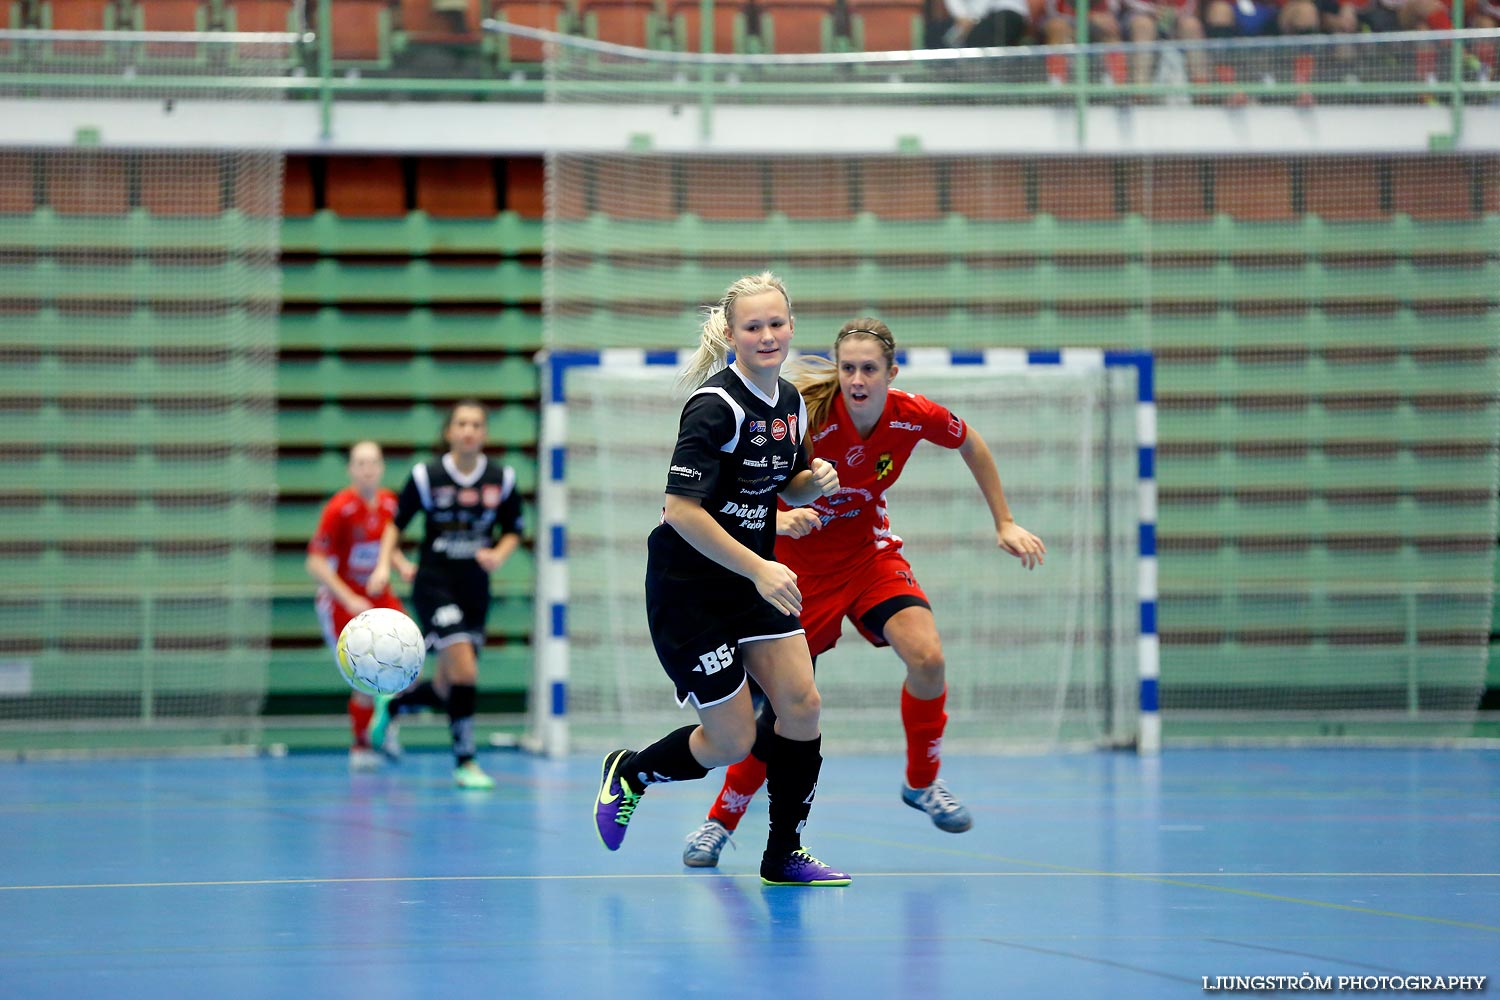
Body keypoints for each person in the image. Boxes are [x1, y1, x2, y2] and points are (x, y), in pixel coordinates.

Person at [682, 318, 1046, 869]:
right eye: (847, 367)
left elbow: (970, 441)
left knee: (928, 657)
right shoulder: (803, 416)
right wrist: (778, 526)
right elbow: (751, 483)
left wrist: (1005, 521)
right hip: (797, 576)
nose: (856, 378)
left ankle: (922, 783)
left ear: (889, 373)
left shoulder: (911, 415)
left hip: (869, 557)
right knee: (785, 712)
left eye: (868, 368)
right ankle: (720, 821)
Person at [592, 272, 851, 887]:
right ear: (732, 336)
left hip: (750, 582)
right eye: (753, 326)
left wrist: (805, 490)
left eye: (776, 324)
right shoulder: (714, 406)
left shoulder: (787, 401)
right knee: (732, 741)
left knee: (801, 705)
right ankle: (632, 772)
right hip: (692, 593)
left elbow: (773, 484)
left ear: (791, 327)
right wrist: (762, 563)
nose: (767, 336)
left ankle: (782, 853)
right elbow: (682, 510)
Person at [366, 400, 524, 790]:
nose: (468, 430)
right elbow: (395, 524)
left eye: (476, 424)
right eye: (461, 424)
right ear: (449, 432)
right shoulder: (426, 476)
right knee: (467, 670)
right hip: (435, 584)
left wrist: (498, 554)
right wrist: (385, 565)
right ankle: (465, 761)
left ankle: (397, 703)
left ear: (484, 433)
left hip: (475, 588)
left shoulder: (501, 478)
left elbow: (514, 529)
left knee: (446, 686)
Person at [306, 440, 416, 771]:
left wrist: (401, 565)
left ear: (381, 468)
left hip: (378, 595)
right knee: (364, 676)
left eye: (373, 463)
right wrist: (349, 598)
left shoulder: (388, 503)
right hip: (342, 600)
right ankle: (361, 745)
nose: (367, 469)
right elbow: (316, 563)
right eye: (360, 463)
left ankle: (386, 726)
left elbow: (386, 541)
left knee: (410, 658)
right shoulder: (339, 509)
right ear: (351, 470)